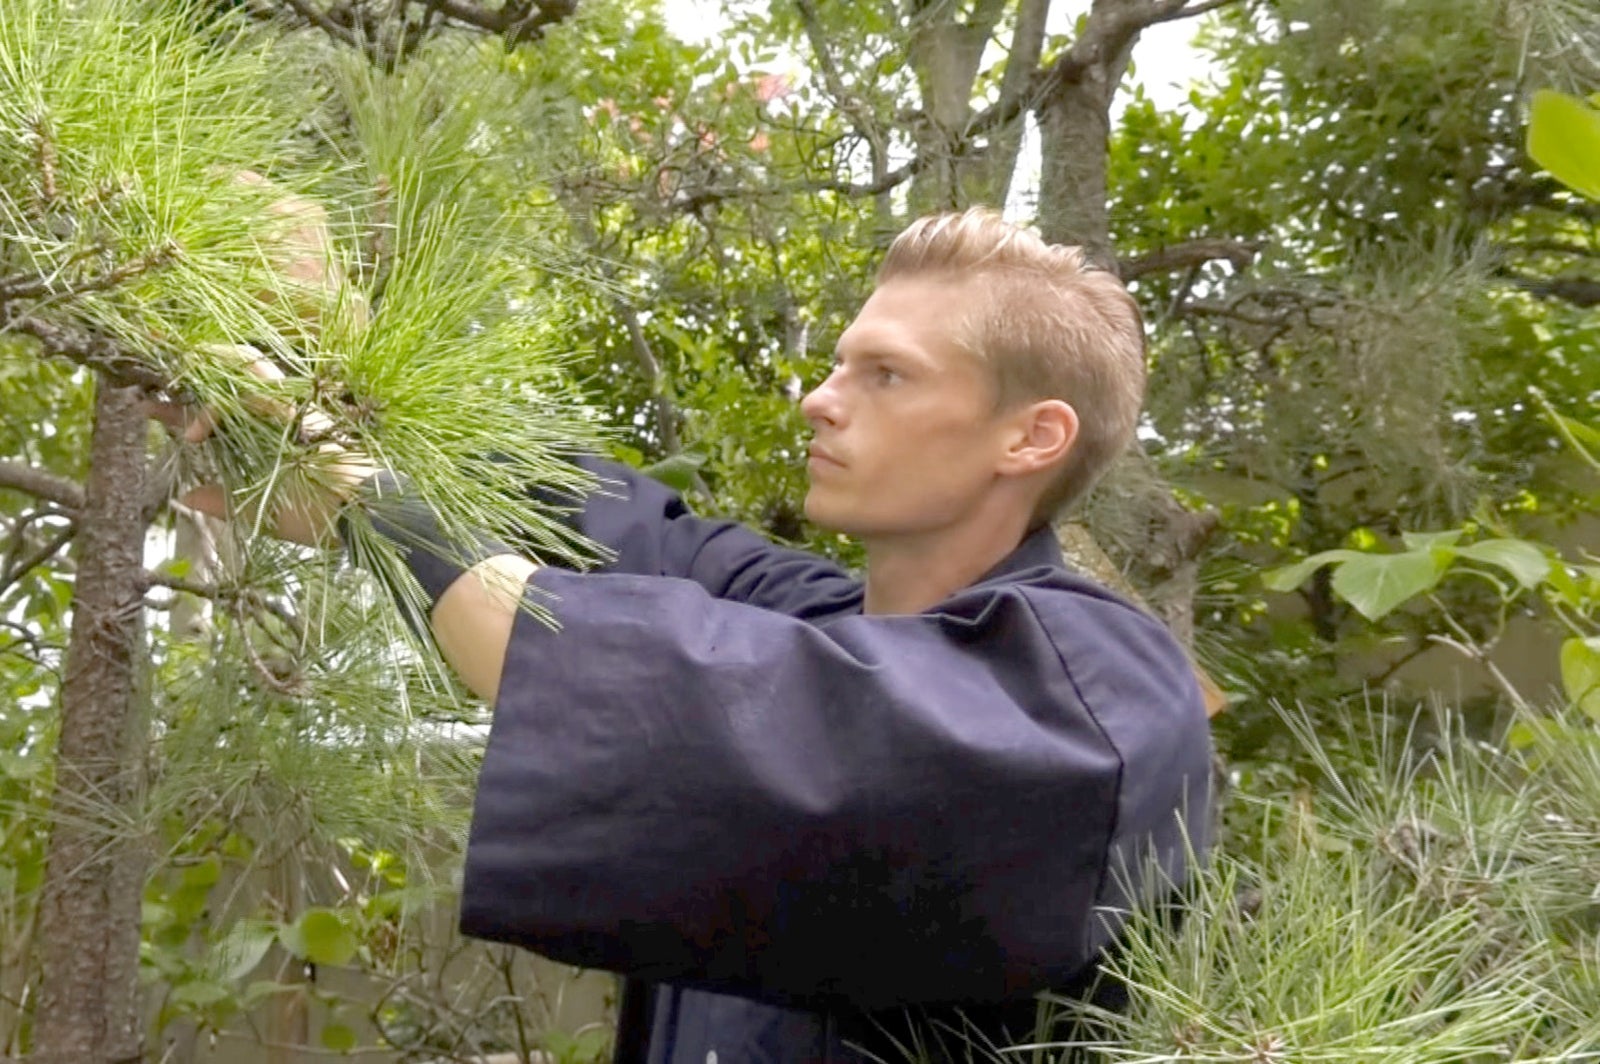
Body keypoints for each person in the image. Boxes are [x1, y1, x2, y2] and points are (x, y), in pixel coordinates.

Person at [182, 207, 1214, 1062]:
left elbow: (740, 709)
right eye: (838, 363)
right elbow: (604, 521)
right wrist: (347, 351)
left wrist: (376, 505)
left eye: (886, 375)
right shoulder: (816, 618)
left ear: (1029, 435)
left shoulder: (1095, 690)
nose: (819, 398)